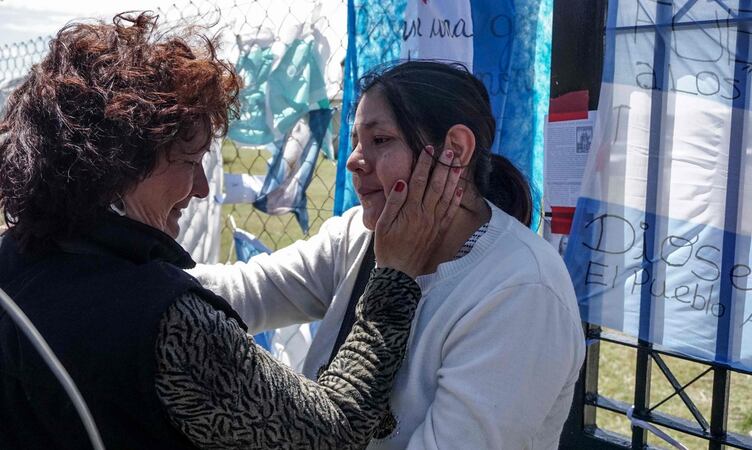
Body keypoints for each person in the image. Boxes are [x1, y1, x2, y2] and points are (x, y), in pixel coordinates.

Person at [0, 14, 463, 449]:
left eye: (380, 141)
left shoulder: (15, 258)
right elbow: (328, 433)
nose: (202, 188)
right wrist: (395, 278)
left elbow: (257, 286)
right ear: (115, 169)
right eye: (187, 163)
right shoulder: (170, 325)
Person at [191, 60, 586, 449]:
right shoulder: (360, 237)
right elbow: (244, 292)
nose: (353, 160)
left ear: (455, 149)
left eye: (380, 141)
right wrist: (142, 273)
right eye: (355, 141)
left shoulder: (522, 291)